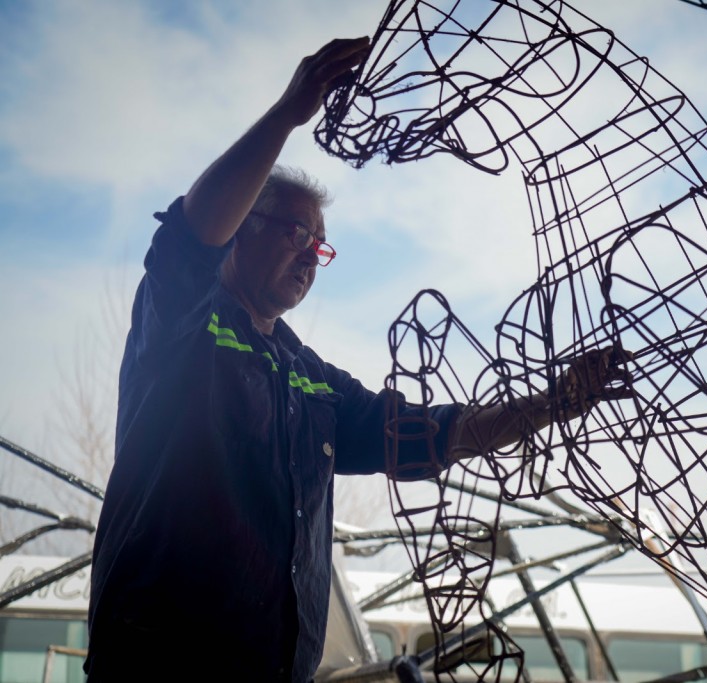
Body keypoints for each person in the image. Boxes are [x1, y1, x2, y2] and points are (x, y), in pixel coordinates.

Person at [85, 37, 633, 683]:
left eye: (321, 244)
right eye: (295, 232)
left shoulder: (307, 375)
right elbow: (191, 231)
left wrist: (558, 401)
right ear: (240, 231)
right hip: (160, 661)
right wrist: (288, 113)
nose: (311, 255)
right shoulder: (183, 318)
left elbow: (428, 435)